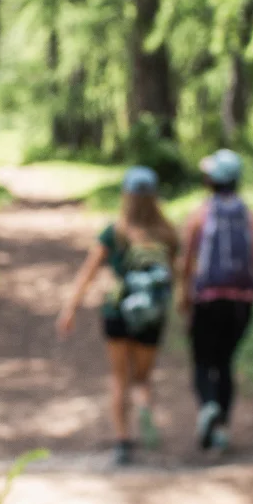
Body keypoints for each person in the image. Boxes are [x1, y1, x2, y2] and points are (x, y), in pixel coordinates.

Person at [58, 166, 181, 466]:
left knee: (119, 378)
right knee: (142, 378)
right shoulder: (166, 233)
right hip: (151, 315)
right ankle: (144, 405)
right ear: (155, 197)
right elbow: (175, 275)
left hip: (117, 312)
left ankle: (123, 441)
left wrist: (70, 309)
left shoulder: (115, 232)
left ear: (126, 195)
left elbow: (88, 273)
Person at [176, 149, 253, 453]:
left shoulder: (199, 215)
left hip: (206, 301)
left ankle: (208, 405)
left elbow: (186, 263)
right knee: (225, 363)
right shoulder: (250, 217)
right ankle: (221, 427)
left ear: (211, 180)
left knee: (201, 361)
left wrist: (184, 296)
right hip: (242, 303)